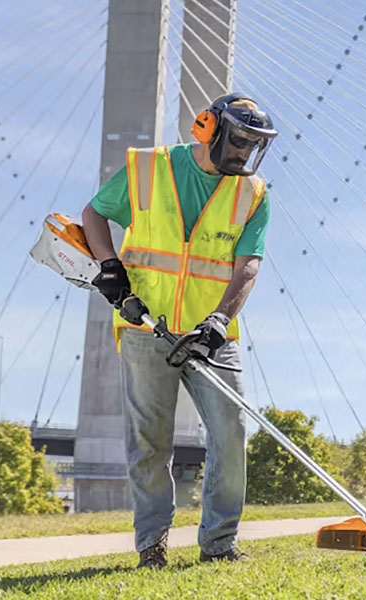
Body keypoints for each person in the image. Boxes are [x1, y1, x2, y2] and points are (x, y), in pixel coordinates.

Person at [81, 93, 277, 568]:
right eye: (239, 140)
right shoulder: (150, 168)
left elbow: (247, 267)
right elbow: (94, 214)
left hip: (212, 336)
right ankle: (152, 545)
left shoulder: (253, 194)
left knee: (231, 431)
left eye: (254, 145)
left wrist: (220, 319)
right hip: (145, 325)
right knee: (149, 442)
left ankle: (219, 544)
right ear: (208, 128)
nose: (245, 153)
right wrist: (109, 266)